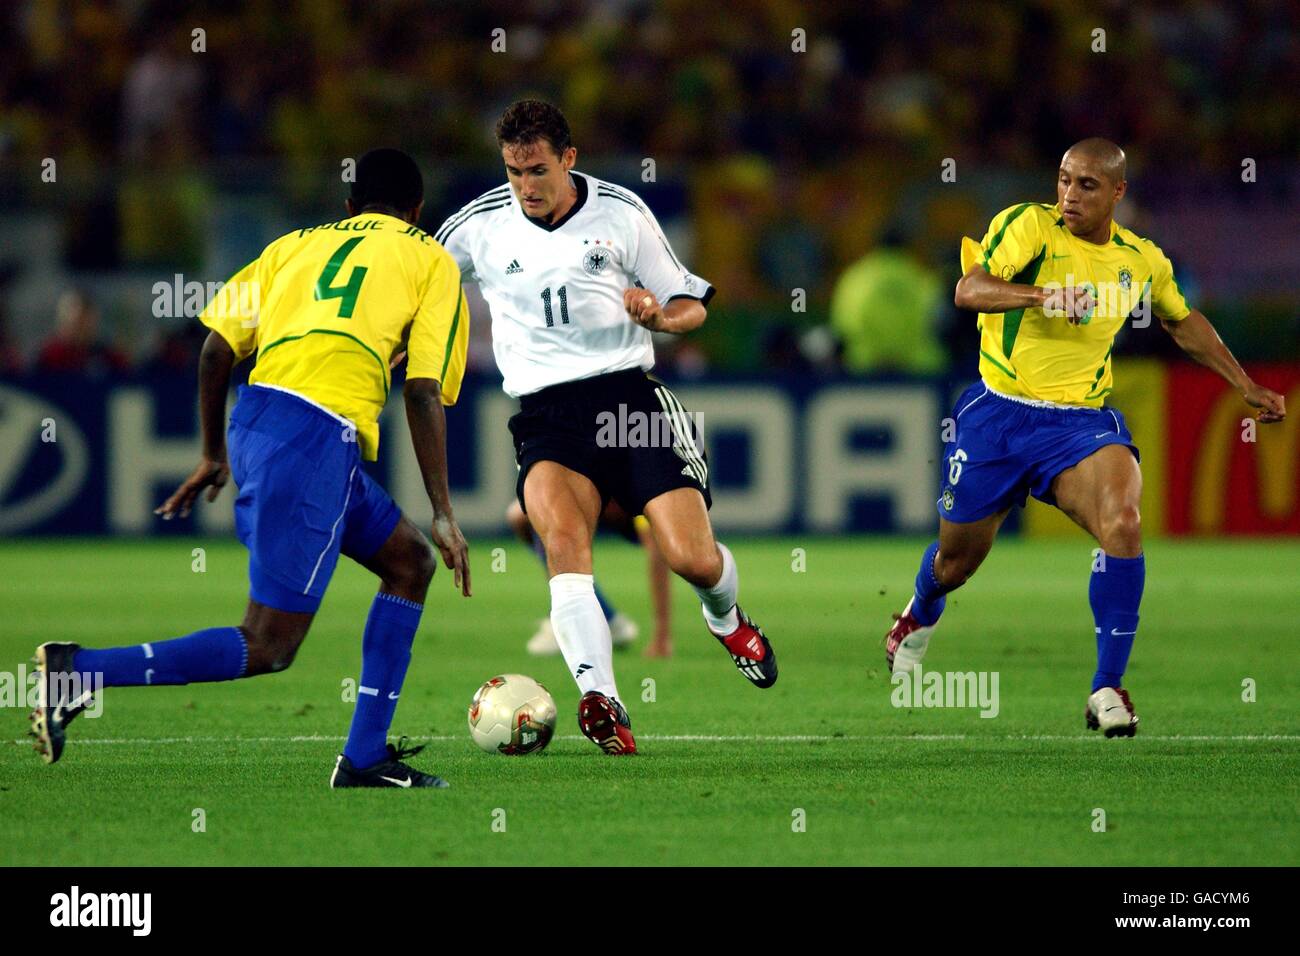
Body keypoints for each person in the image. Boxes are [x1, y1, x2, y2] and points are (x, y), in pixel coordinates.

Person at [30, 149, 472, 787]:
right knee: (268, 644)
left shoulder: (292, 245)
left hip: (261, 422)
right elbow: (424, 390)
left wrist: (213, 453)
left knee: (410, 563)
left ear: (349, 209)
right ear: (419, 211)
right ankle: (80, 671)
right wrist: (444, 511)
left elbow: (213, 349)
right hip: (316, 437)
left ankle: (367, 755)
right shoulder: (430, 258)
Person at [884, 138, 1287, 736]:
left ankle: (1107, 686)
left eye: (1087, 186)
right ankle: (918, 614)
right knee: (956, 561)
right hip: (999, 414)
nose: (1070, 195)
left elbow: (1182, 320)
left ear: (1118, 193)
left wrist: (1243, 383)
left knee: (1122, 522)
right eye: (1065, 180)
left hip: (1079, 423)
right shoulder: (1029, 227)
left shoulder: (1141, 259)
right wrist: (1043, 295)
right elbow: (969, 291)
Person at [436, 100, 777, 755]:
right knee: (565, 546)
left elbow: (689, 303)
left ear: (569, 158)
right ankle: (603, 698)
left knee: (692, 558)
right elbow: (416, 278)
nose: (526, 186)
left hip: (630, 403)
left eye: (537, 169)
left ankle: (726, 617)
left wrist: (660, 318)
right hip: (544, 417)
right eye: (513, 172)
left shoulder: (620, 213)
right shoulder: (478, 227)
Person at [506, 499, 674, 658]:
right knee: (522, 516)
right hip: (595, 492)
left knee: (680, 555)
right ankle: (599, 619)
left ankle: (594, 622)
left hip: (626, 500)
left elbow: (658, 557)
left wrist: (662, 636)